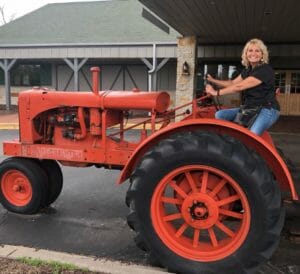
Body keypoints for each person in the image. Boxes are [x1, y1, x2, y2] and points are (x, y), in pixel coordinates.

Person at [205, 38, 280, 135]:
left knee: (252, 136)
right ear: (246, 54)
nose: (254, 53)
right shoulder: (248, 70)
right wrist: (213, 80)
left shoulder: (264, 70)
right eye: (250, 50)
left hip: (267, 109)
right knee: (220, 115)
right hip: (250, 107)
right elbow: (233, 83)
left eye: (257, 51)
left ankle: (245, 144)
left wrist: (216, 93)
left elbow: (239, 87)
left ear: (262, 54)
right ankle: (233, 140)